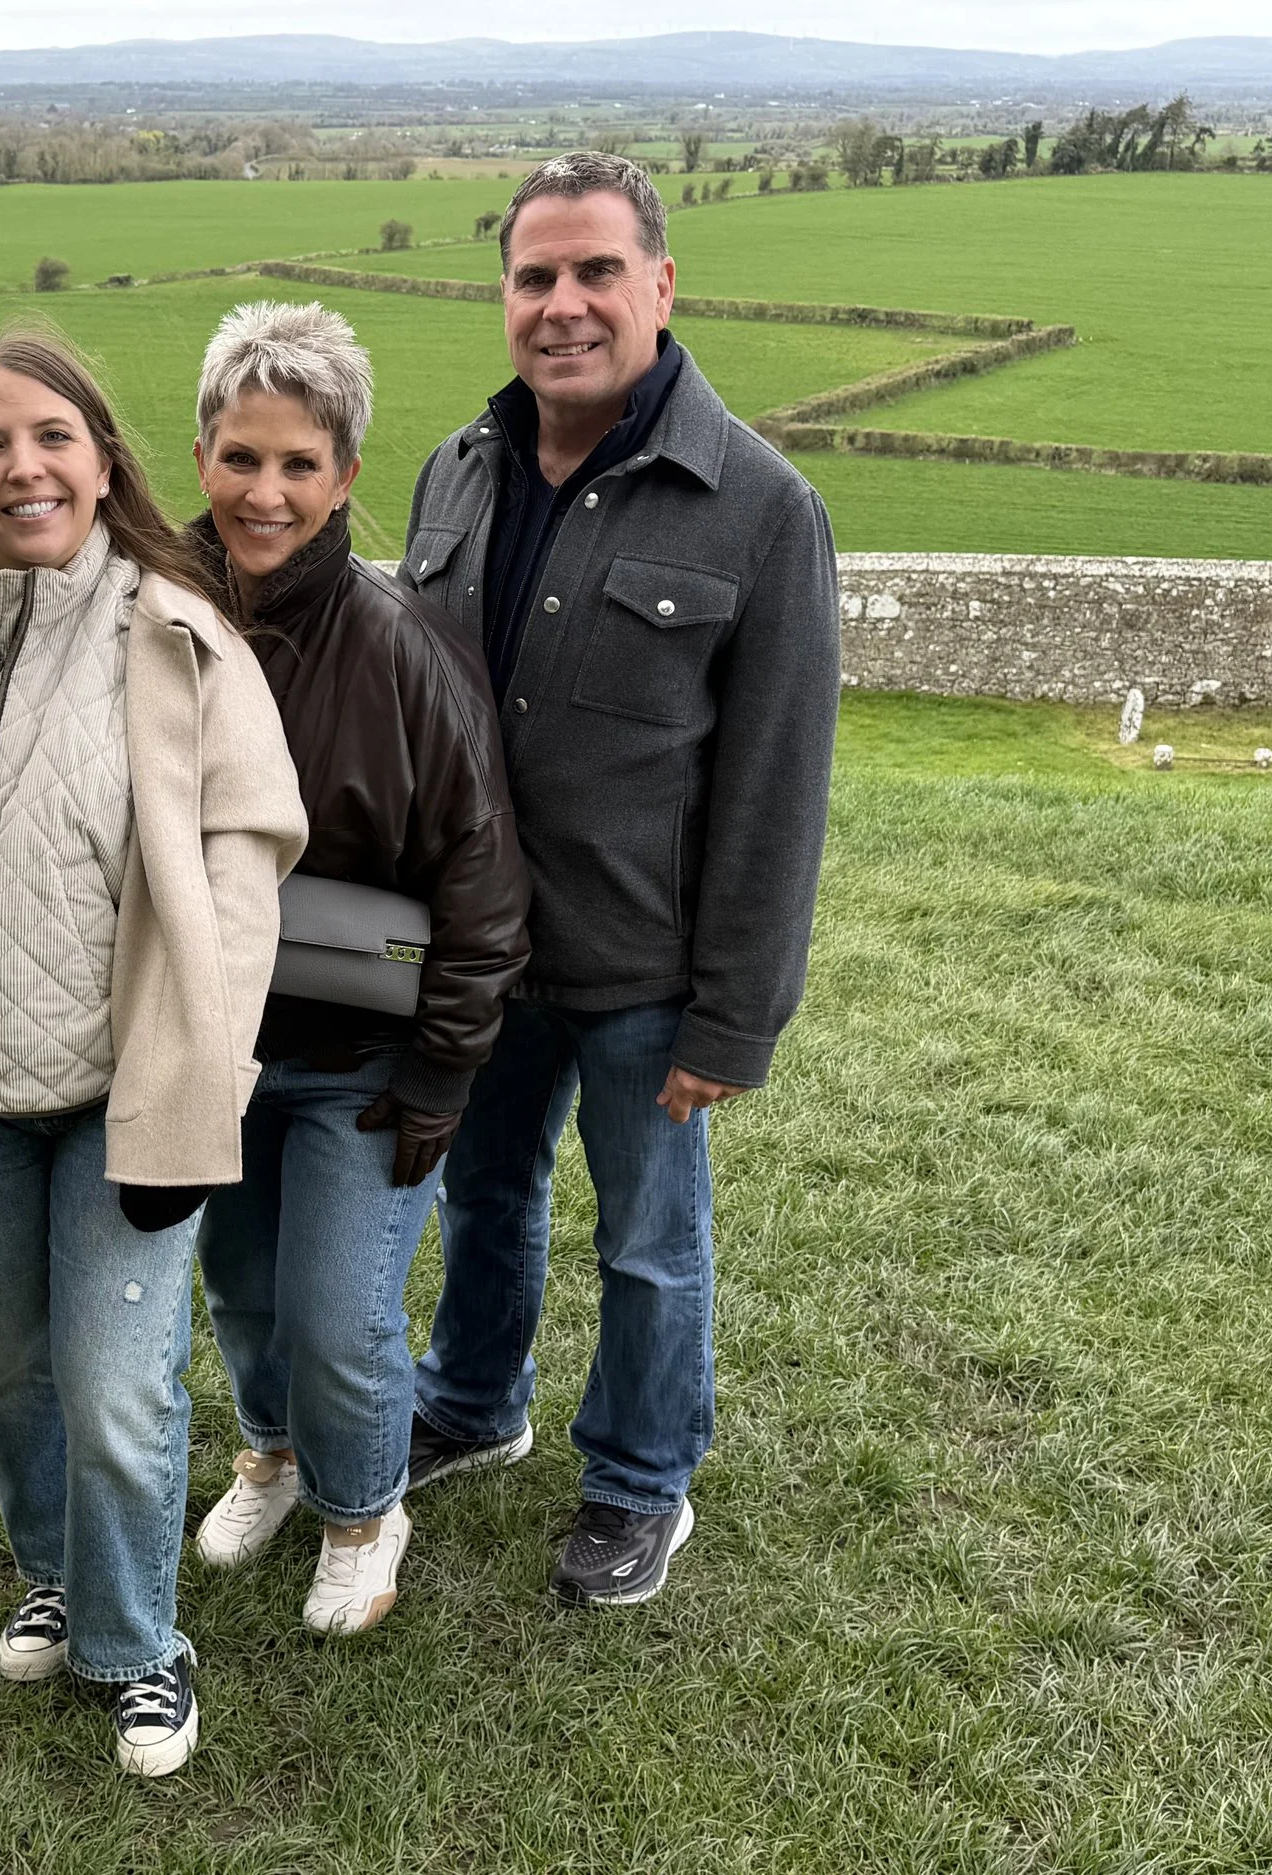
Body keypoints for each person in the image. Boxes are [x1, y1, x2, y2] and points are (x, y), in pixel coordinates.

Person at [399, 153, 841, 1605]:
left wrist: (737, 1020)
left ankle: (642, 1481)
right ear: (504, 296)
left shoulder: (762, 508)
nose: (564, 304)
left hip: (649, 970)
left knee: (650, 1243)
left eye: (597, 272)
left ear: (661, 284)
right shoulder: (455, 470)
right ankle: (473, 1401)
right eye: (535, 276)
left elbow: (778, 787)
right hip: (484, 952)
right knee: (487, 1195)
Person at [0, 329, 304, 1777]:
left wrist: (211, 1059)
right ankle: (55, 1571)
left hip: (132, 1098)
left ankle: (140, 1646)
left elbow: (249, 864)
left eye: (51, 436)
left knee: (122, 1387)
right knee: (16, 1373)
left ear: (103, 455)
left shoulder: (178, 630)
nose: (24, 466)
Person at [182, 302, 528, 1634]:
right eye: (241, 456)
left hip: (360, 1063)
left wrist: (442, 1073)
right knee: (245, 1288)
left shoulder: (406, 653)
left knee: (339, 1316)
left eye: (299, 465)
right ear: (203, 451)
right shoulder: (155, 616)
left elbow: (485, 885)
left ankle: (363, 1505)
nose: (266, 492)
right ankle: (269, 1449)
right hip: (207, 1047)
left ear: (345, 480)